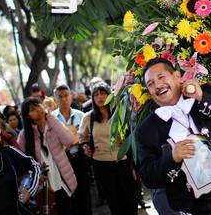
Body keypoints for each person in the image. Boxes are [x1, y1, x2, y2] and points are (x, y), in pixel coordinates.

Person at [137, 58, 211, 214]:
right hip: (195, 208)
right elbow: (148, 177)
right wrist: (171, 158)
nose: (157, 85)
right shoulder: (147, 129)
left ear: (177, 77)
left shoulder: (203, 94)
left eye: (161, 77)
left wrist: (201, 98)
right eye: (150, 84)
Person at [79, 81, 139, 215]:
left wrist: (124, 140)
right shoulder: (88, 118)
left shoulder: (121, 113)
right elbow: (82, 137)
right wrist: (85, 146)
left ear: (110, 95)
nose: (100, 97)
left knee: (130, 199)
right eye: (96, 95)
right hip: (101, 164)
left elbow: (133, 135)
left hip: (122, 161)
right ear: (93, 99)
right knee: (114, 201)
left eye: (103, 93)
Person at [19, 97, 77, 214]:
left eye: (38, 105)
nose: (38, 109)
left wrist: (50, 117)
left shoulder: (53, 124)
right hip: (43, 185)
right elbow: (21, 162)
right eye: (32, 109)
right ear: (27, 116)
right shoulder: (25, 135)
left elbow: (69, 140)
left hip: (63, 180)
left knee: (68, 209)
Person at [52, 84, 92, 215]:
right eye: (60, 96)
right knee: (66, 197)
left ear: (71, 97)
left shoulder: (81, 115)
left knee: (84, 193)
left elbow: (88, 135)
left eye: (66, 96)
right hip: (62, 161)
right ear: (55, 99)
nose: (63, 99)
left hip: (80, 158)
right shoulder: (51, 119)